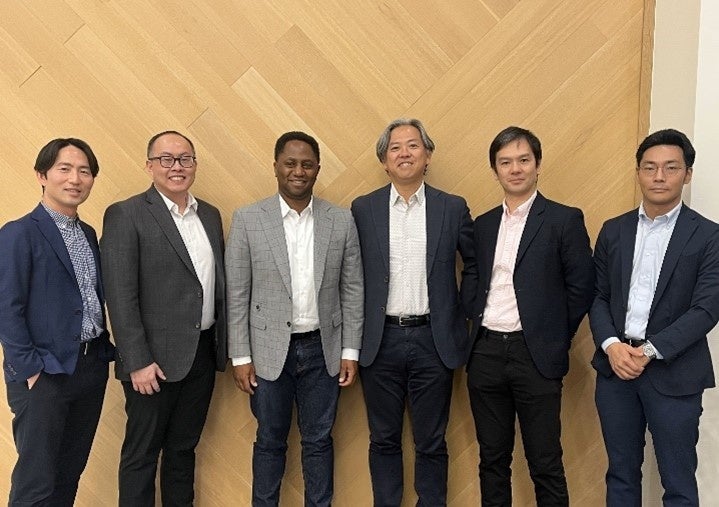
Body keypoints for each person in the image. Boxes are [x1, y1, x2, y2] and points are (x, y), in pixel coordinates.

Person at [225, 131, 363, 506]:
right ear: (276, 166)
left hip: (323, 350)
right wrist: (241, 356)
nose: (298, 171)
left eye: (306, 164)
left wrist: (349, 351)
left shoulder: (341, 220)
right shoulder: (249, 219)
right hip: (267, 352)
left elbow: (352, 289)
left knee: (319, 441)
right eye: (290, 163)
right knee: (270, 441)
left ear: (317, 168)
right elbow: (237, 294)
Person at [465, 126, 595, 506]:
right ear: (495, 170)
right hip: (486, 352)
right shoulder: (483, 224)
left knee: (545, 462)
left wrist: (553, 336)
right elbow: (474, 277)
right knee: (492, 460)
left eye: (523, 160)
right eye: (505, 162)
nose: (515, 169)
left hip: (535, 355)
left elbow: (581, 287)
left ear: (538, 164)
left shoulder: (563, 220)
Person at [590, 128, 719, 506]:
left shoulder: (709, 236)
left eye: (670, 168)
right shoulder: (614, 230)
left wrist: (648, 351)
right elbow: (597, 296)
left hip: (675, 373)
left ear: (687, 174)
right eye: (649, 167)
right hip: (616, 371)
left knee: (678, 482)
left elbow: (706, 308)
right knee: (620, 474)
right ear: (638, 173)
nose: (659, 176)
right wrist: (612, 346)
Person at [351, 118, 475, 506]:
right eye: (395, 148)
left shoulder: (452, 207)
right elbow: (349, 274)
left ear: (428, 155)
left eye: (413, 145)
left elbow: (474, 265)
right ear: (384, 161)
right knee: (383, 439)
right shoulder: (363, 208)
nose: (404, 153)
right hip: (380, 341)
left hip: (433, 340)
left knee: (431, 441)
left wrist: (461, 313)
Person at [101, 131, 227, 506]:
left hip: (201, 355)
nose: (177, 167)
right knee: (141, 456)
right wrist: (137, 361)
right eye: (166, 159)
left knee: (182, 451)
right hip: (150, 363)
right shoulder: (126, 214)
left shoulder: (209, 215)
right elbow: (120, 295)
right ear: (149, 165)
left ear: (195, 165)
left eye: (185, 158)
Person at [0, 138, 115, 506]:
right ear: (42, 175)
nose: (75, 179)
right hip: (44, 373)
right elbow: (7, 307)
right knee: (35, 483)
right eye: (64, 169)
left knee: (68, 476)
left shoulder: (88, 234)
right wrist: (30, 369)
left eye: (84, 171)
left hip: (89, 367)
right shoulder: (18, 233)